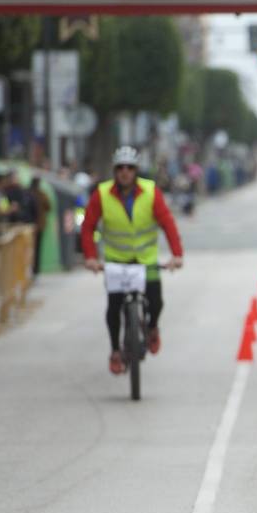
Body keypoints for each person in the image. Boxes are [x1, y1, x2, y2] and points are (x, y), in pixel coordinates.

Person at [80, 147, 185, 375]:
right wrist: (90, 258)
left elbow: (167, 223)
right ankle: (116, 350)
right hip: (117, 262)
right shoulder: (102, 194)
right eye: (120, 168)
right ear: (114, 171)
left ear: (136, 170)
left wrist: (176, 255)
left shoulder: (150, 192)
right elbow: (88, 227)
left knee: (156, 302)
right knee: (114, 307)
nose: (125, 172)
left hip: (146, 261)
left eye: (129, 168)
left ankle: (152, 327)